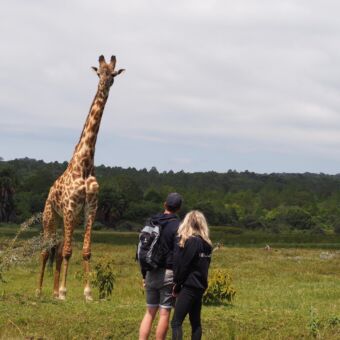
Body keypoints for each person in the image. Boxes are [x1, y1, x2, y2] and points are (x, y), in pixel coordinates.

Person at [139, 192, 183, 340]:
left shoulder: (152, 221)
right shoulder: (178, 225)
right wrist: (178, 280)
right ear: (179, 208)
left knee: (149, 312)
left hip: (151, 271)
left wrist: (144, 274)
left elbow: (143, 249)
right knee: (164, 313)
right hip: (168, 274)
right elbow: (178, 255)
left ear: (165, 204)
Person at [171, 210, 212, 340]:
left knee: (176, 322)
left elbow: (184, 266)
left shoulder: (192, 241)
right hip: (200, 286)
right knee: (195, 323)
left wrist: (177, 284)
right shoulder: (207, 244)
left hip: (189, 286)